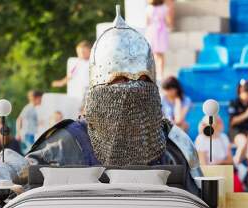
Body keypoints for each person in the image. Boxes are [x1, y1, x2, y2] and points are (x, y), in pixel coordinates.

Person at [25, 7, 203, 197]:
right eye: (122, 80)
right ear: (99, 87)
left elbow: (200, 201)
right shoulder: (63, 144)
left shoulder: (175, 146)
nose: (134, 88)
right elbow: (22, 176)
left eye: (143, 80)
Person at [52, 40, 91, 107]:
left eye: (84, 52)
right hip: (77, 94)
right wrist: (61, 83)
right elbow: (70, 75)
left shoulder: (94, 62)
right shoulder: (76, 63)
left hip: (89, 92)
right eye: (79, 52)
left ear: (90, 51)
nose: (81, 54)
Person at [228, 80, 248, 164]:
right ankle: (235, 164)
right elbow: (232, 121)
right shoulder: (234, 103)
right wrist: (246, 114)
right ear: (243, 91)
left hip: (247, 130)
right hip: (235, 131)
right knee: (243, 142)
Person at [145, 0, 174, 80]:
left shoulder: (148, 8)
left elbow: (147, 22)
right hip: (161, 31)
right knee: (160, 55)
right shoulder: (164, 8)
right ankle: (160, 74)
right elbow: (168, 21)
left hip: (152, 31)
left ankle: (155, 72)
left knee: (154, 54)